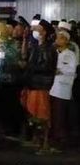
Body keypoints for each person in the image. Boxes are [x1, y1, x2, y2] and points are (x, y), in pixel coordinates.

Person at [22, 19, 57, 153]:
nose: (35, 30)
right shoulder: (37, 46)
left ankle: (45, 143)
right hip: (34, 84)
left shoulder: (48, 48)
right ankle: (37, 140)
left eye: (38, 28)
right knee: (34, 114)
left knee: (43, 115)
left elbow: (47, 67)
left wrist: (29, 66)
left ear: (44, 32)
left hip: (42, 85)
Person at [49, 30, 77, 152]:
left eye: (60, 38)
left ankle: (60, 141)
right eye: (57, 38)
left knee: (60, 116)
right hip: (53, 88)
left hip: (63, 88)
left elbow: (72, 70)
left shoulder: (70, 54)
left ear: (66, 40)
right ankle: (53, 139)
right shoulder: (55, 52)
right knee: (54, 115)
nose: (57, 40)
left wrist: (60, 70)